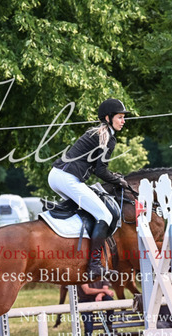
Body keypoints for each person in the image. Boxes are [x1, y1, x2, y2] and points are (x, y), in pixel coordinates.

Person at [49, 98, 131, 280]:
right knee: (105, 215)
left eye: (123, 117)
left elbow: (96, 168)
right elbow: (101, 171)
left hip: (56, 176)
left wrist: (114, 176)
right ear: (108, 118)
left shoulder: (96, 133)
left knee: (89, 210)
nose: (123, 121)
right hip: (67, 178)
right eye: (120, 117)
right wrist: (118, 181)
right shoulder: (107, 138)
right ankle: (94, 265)